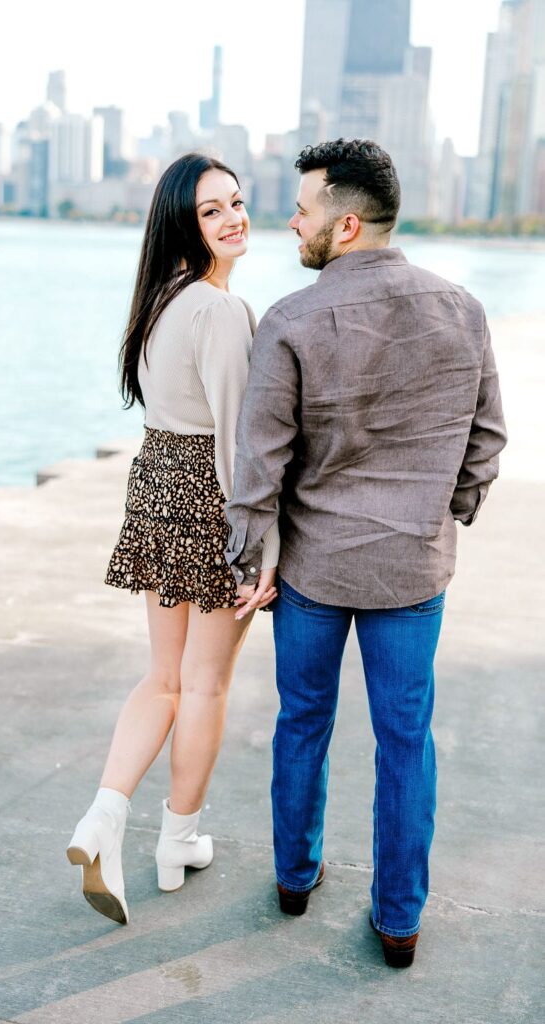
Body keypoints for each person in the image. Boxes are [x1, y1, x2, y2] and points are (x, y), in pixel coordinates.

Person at [226, 138, 507, 967]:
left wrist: (251, 559)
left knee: (302, 722)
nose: (289, 220)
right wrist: (438, 511)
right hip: (412, 570)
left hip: (313, 569)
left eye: (302, 208)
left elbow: (260, 464)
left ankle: (292, 878)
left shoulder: (289, 319)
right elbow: (487, 438)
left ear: (344, 224)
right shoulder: (461, 309)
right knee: (405, 741)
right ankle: (398, 922)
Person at [67, 153, 279, 925]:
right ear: (181, 226)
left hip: (157, 482)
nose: (233, 219)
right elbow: (237, 444)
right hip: (205, 495)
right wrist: (262, 550)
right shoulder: (220, 310)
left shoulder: (160, 298)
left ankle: (103, 816)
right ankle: (176, 839)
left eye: (235, 203)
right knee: (204, 683)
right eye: (210, 212)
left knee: (164, 676)